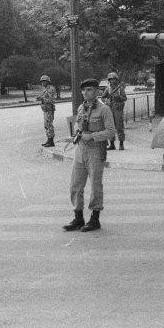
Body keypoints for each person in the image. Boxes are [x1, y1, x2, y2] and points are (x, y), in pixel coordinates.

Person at [63, 78, 115, 232]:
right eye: (84, 90)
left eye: (89, 90)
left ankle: (95, 218)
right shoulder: (81, 107)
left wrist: (92, 136)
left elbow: (111, 131)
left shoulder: (104, 109)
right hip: (80, 150)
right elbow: (79, 124)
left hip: (95, 151)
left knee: (95, 186)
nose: (86, 93)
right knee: (75, 185)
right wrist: (78, 133)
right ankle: (78, 217)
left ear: (97, 92)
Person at [101, 71, 127, 150]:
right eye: (111, 79)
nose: (113, 81)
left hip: (118, 108)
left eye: (114, 79)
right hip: (109, 108)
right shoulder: (108, 89)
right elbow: (102, 97)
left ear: (116, 80)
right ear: (109, 80)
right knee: (110, 126)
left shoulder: (120, 89)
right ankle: (112, 144)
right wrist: (106, 101)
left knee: (119, 126)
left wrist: (119, 97)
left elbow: (124, 98)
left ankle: (121, 144)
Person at [37, 74, 57, 147]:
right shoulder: (45, 89)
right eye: (41, 82)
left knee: (49, 125)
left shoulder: (51, 89)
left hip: (49, 110)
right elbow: (44, 97)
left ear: (47, 82)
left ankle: (51, 141)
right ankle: (49, 140)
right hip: (45, 110)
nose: (42, 83)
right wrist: (40, 97)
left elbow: (51, 100)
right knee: (46, 125)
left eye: (43, 81)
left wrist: (42, 99)